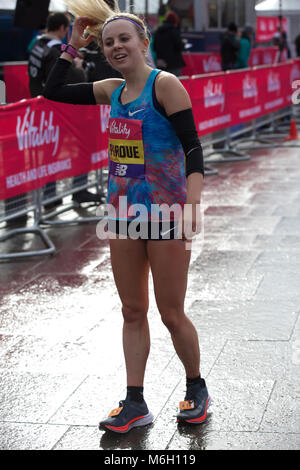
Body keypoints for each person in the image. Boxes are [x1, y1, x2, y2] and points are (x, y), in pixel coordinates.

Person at [43, 0, 210, 434]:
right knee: (132, 309)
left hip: (168, 212)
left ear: (143, 43)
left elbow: (193, 149)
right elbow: (53, 90)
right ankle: (135, 401)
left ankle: (197, 387)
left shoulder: (165, 85)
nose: (117, 47)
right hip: (123, 214)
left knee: (171, 312)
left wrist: (192, 206)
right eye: (109, 41)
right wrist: (71, 46)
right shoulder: (110, 90)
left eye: (124, 39)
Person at [28, 11, 103, 206]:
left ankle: (51, 195)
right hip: (60, 111)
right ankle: (72, 192)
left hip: (42, 109)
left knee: (50, 152)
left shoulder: (37, 45)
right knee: (81, 146)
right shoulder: (54, 52)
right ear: (62, 28)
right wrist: (78, 65)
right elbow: (67, 78)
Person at [153, 11, 185, 77]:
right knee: (176, 84)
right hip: (174, 64)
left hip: (161, 64)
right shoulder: (174, 31)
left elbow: (155, 47)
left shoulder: (158, 31)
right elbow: (179, 46)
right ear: (175, 21)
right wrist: (183, 44)